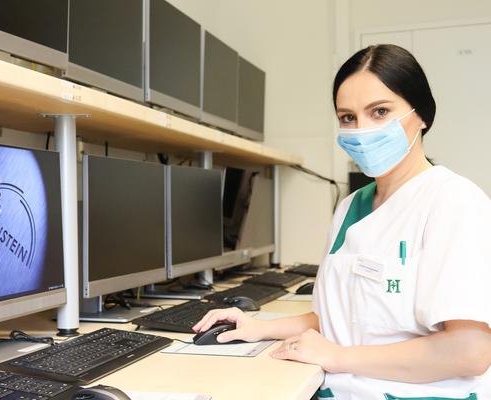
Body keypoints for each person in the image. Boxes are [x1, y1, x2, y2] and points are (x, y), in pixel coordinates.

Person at [193, 44, 491, 399]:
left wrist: (337, 357)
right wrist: (258, 327)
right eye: (348, 117)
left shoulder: (452, 201)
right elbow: (342, 319)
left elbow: (469, 352)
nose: (362, 130)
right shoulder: (351, 207)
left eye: (380, 112)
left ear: (422, 114)